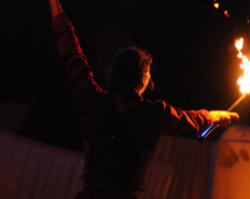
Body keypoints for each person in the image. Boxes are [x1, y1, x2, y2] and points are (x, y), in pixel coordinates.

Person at [48, 0, 239, 198]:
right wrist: (217, 116)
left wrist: (55, 6)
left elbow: (71, 55)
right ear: (142, 78)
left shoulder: (93, 102)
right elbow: (189, 120)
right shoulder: (152, 114)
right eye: (147, 71)